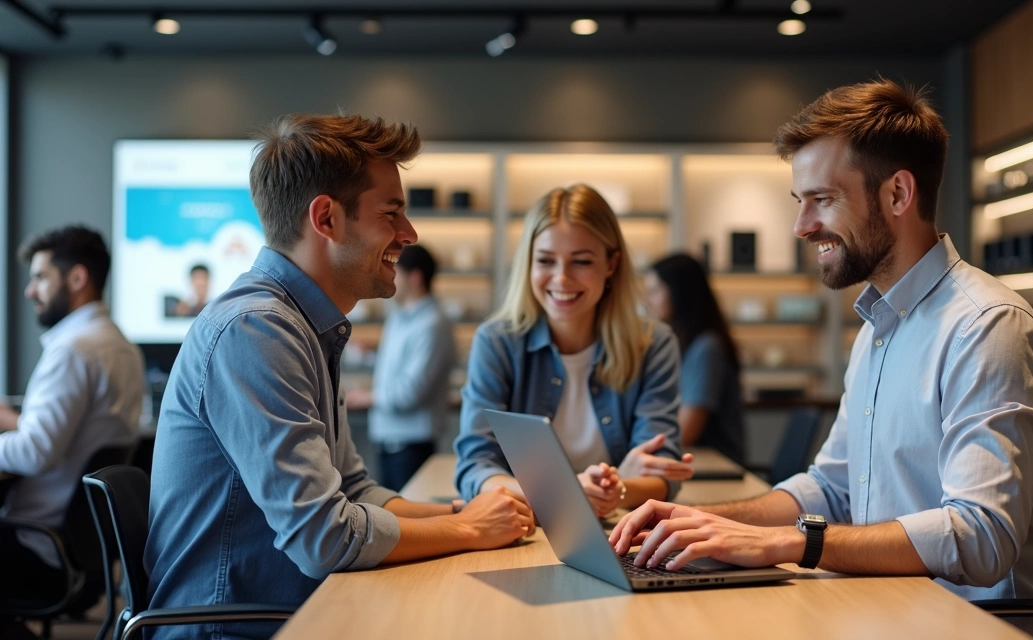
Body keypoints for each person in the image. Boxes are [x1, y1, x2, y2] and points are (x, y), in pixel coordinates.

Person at [611, 79, 1033, 639]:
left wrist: (794, 541)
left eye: (823, 199)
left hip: (987, 627)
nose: (801, 225)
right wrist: (706, 523)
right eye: (800, 201)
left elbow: (980, 537)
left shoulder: (987, 329)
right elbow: (831, 489)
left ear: (898, 195)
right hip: (895, 611)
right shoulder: (879, 327)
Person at [144, 114, 533, 640]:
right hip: (235, 629)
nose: (408, 234)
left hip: (289, 613)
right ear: (326, 218)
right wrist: (468, 528)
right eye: (391, 213)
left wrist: (474, 511)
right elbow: (324, 538)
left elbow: (354, 491)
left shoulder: (304, 325)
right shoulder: (257, 330)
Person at [455, 184, 693, 518]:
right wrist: (571, 493)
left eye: (581, 261)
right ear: (528, 263)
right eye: (546, 261)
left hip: (616, 531)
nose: (561, 279)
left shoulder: (653, 344)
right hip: (522, 529)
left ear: (611, 264)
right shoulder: (497, 342)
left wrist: (615, 490)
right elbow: (476, 465)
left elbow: (661, 472)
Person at [0, 225, 145, 630]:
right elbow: (70, 434)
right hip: (86, 551)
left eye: (40, 277)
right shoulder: (119, 345)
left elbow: (35, 451)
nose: (31, 291)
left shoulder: (72, 350)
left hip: (39, 547)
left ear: (77, 278)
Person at [345, 244, 456, 490]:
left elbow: (411, 392)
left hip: (411, 448)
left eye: (396, 271)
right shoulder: (400, 316)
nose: (390, 276)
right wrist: (371, 354)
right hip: (389, 442)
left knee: (411, 525)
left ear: (415, 277)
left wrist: (367, 398)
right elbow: (399, 364)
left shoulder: (432, 325)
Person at [644, 253, 746, 464]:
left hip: (716, 468)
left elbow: (686, 432)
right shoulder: (688, 345)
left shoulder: (706, 348)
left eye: (654, 291)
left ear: (677, 293)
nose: (649, 301)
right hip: (699, 463)